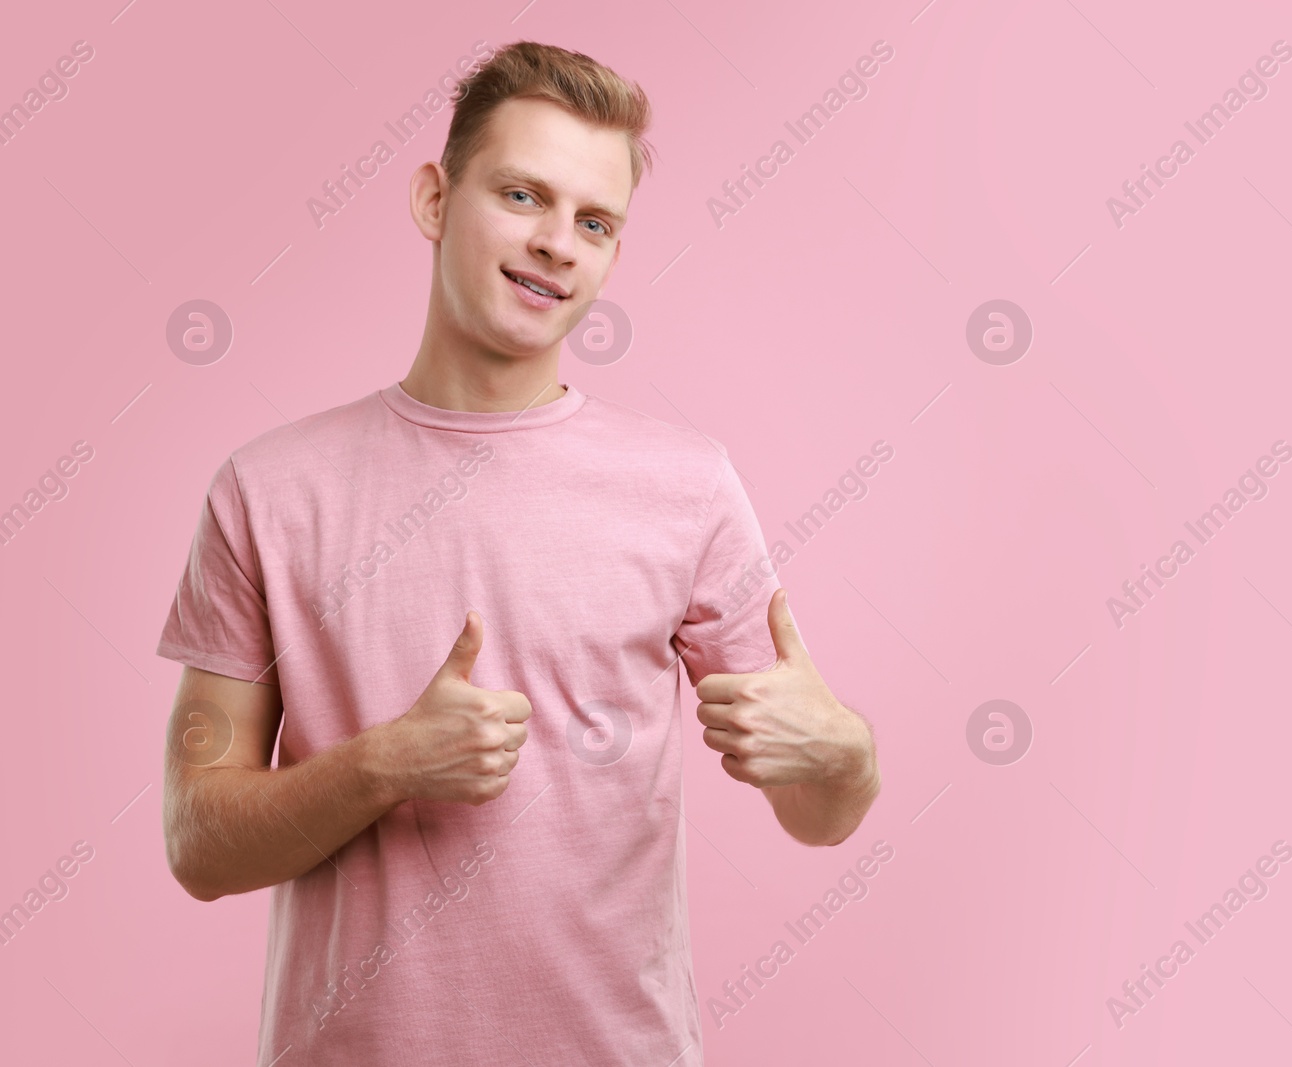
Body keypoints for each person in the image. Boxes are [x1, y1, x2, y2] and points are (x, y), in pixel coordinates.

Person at [155, 39, 880, 1067]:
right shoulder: (266, 491)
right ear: (433, 200)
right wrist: (383, 764)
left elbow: (820, 811)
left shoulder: (686, 485)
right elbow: (197, 841)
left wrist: (842, 751)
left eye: (594, 222)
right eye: (522, 195)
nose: (557, 243)